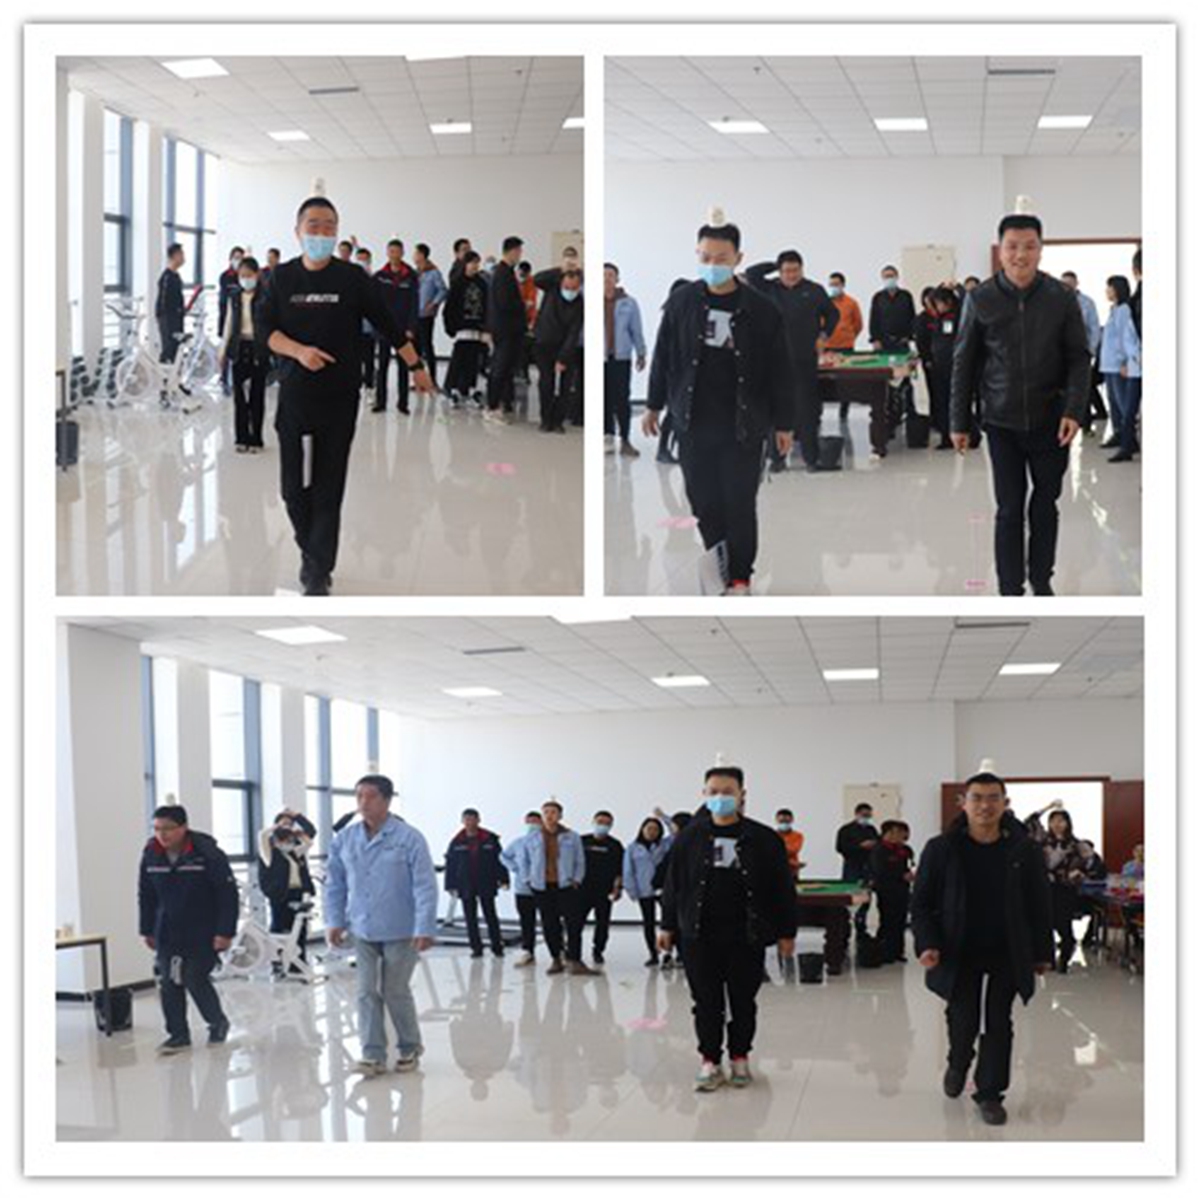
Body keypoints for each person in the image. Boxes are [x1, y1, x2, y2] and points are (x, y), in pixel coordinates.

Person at [258, 196, 433, 595]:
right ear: (297, 231)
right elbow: (266, 329)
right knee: (293, 491)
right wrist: (299, 351)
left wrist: (416, 366)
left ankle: (317, 572)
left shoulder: (352, 278)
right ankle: (312, 553)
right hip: (296, 398)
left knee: (328, 487)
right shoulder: (281, 278)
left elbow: (387, 324)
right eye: (314, 225)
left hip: (339, 400)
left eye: (329, 226)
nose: (321, 233)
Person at [642, 211, 795, 596]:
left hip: (742, 424)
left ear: (738, 258)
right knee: (704, 501)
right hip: (693, 422)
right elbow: (663, 356)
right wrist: (653, 405)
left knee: (739, 501)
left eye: (721, 258)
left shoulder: (762, 310)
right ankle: (719, 562)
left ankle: (740, 575)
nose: (712, 265)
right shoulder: (681, 302)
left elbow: (780, 369)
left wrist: (785, 423)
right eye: (705, 257)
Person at [949, 214, 1090, 597]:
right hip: (1001, 422)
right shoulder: (981, 298)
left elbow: (1079, 358)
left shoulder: (1061, 298)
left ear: (1041, 250)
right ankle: (1009, 587)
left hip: (1051, 421)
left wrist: (1073, 410)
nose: (1021, 255)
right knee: (1009, 508)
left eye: (1029, 246)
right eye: (1012, 247)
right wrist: (958, 421)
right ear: (1001, 251)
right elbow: (964, 362)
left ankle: (1041, 580)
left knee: (1045, 504)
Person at [910, 771, 1053, 1127]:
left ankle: (990, 1093)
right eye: (977, 798)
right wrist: (927, 943)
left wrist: (1041, 952)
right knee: (964, 1019)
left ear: (1005, 804)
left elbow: (1039, 903)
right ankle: (958, 1061)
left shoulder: (1024, 849)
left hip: (1008, 948)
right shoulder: (942, 848)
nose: (985, 806)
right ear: (964, 803)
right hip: (958, 948)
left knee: (998, 1021)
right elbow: (921, 903)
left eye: (993, 798)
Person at [659, 766, 797, 1092]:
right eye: (714, 792)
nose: (720, 797)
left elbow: (782, 888)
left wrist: (786, 932)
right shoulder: (689, 837)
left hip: (746, 935)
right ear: (704, 795)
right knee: (706, 1002)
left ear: (741, 795)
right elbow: (674, 884)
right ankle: (709, 1061)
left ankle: (740, 1057)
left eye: (727, 791)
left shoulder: (764, 839)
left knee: (743, 1001)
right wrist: (667, 925)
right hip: (698, 935)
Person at [324, 774, 438, 1076]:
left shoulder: (408, 838)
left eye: (371, 796)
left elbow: (425, 886)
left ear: (387, 800)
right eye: (359, 796)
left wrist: (425, 926)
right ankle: (372, 1054)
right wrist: (334, 921)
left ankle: (409, 1047)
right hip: (362, 927)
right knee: (365, 991)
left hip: (401, 928)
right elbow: (335, 883)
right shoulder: (345, 839)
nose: (364, 802)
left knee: (394, 990)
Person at [138, 803, 239, 1054]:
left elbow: (227, 895)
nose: (162, 834)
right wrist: (146, 929)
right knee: (169, 981)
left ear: (183, 827)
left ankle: (217, 1022)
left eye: (168, 828)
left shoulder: (207, 854)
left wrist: (225, 932)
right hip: (167, 929)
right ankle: (178, 1035)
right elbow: (146, 894)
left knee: (194, 978)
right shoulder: (151, 853)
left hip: (203, 928)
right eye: (157, 829)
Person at [745, 250, 839, 472]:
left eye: (795, 270)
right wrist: (775, 264)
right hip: (774, 362)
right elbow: (752, 273)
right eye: (786, 270)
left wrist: (824, 335)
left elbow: (833, 314)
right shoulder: (769, 288)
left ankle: (811, 460)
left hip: (804, 359)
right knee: (775, 411)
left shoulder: (814, 290)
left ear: (802, 269)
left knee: (807, 411)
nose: (791, 275)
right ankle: (776, 459)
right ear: (780, 271)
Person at [516, 799, 600, 977]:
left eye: (553, 812)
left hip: (566, 886)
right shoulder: (531, 838)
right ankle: (556, 959)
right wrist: (528, 879)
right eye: (546, 812)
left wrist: (577, 879)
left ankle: (575, 960)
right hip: (542, 887)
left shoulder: (572, 836)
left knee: (574, 924)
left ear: (560, 815)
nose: (549, 815)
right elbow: (523, 861)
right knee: (549, 924)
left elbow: (580, 860)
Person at [218, 255, 270, 454]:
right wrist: (222, 351)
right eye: (242, 275)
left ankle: (256, 439)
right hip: (239, 348)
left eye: (249, 275)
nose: (245, 279)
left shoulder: (266, 296)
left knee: (257, 396)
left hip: (258, 348)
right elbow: (229, 323)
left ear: (257, 275)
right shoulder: (234, 296)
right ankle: (241, 438)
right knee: (239, 397)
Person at [256, 808, 317, 971]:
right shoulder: (269, 854)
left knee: (300, 929)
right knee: (280, 928)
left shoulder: (293, 853)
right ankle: (278, 963)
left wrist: (298, 833)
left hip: (297, 893)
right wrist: (277, 827)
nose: (287, 841)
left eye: (289, 825)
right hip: (280, 895)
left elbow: (309, 843)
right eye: (284, 825)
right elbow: (262, 835)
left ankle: (298, 963)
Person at [444, 808, 510, 958]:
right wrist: (450, 885)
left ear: (478, 820)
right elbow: (451, 864)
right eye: (466, 819)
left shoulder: (490, 839)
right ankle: (476, 948)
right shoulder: (457, 841)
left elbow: (500, 861)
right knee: (470, 918)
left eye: (472, 819)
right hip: (465, 884)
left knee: (490, 915)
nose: (469, 822)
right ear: (462, 821)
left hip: (486, 882)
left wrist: (504, 879)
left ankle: (497, 946)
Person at [531, 262, 585, 433]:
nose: (570, 291)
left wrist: (563, 358)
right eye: (567, 287)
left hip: (565, 348)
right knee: (546, 382)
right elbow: (537, 279)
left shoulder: (579, 303)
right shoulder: (552, 290)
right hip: (543, 344)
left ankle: (558, 421)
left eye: (574, 288)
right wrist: (561, 269)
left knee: (565, 386)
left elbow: (574, 332)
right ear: (561, 282)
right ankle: (545, 419)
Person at [603, 263, 647, 458]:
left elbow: (636, 330)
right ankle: (607, 436)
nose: (607, 279)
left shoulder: (629, 303)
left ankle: (625, 439)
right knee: (604, 398)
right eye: (603, 275)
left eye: (611, 275)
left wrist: (641, 353)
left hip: (621, 357)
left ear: (617, 279)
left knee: (622, 398)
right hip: (600, 358)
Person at [372, 239, 420, 414]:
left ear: (402, 253)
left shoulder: (410, 276)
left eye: (397, 251)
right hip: (384, 328)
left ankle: (403, 404)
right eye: (391, 251)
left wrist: (411, 328)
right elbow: (373, 302)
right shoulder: (379, 276)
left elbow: (414, 304)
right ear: (387, 253)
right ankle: (380, 402)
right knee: (382, 366)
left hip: (402, 329)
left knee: (403, 367)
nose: (394, 255)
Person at [1099, 274, 1142, 463]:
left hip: (1119, 365)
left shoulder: (1124, 310)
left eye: (1109, 287)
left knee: (1125, 405)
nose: (1106, 291)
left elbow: (1126, 338)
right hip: (1109, 364)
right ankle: (1119, 435)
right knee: (1114, 403)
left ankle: (1129, 441)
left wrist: (1125, 361)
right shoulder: (1114, 309)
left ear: (1117, 289)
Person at [1060, 271, 1107, 436]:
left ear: (1076, 284)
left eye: (1070, 283)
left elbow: (1094, 328)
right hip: (1060, 354)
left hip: (1081, 352)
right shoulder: (1055, 301)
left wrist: (1091, 350)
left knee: (1082, 388)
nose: (1067, 286)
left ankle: (1086, 425)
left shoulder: (1087, 303)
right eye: (1063, 283)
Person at [486, 235, 527, 419]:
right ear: (511, 251)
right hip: (504, 329)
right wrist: (522, 305)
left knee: (507, 368)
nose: (520, 255)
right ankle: (492, 405)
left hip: (510, 329)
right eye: (518, 251)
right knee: (500, 367)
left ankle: (505, 403)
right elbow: (504, 303)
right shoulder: (502, 273)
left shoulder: (508, 272)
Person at [624, 817, 673, 967]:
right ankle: (653, 954)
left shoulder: (665, 844)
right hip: (644, 891)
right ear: (642, 829)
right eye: (649, 828)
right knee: (648, 923)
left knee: (670, 922)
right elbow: (628, 871)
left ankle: (669, 953)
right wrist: (632, 891)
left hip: (664, 890)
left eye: (656, 829)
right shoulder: (633, 848)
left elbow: (676, 831)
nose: (652, 832)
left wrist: (663, 817)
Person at [442, 251, 490, 406]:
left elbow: (486, 306)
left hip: (477, 328)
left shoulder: (482, 284)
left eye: (477, 263)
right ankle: (452, 388)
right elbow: (449, 307)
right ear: (465, 264)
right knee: (459, 358)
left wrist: (486, 327)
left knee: (473, 360)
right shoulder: (458, 283)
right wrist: (450, 327)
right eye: (472, 262)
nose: (475, 266)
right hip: (462, 328)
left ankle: (469, 388)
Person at [1041, 809, 1085, 973]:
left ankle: (1064, 960)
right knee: (1046, 926)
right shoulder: (1043, 842)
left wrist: (1074, 874)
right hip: (1045, 889)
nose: (1057, 824)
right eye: (1053, 821)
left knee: (1064, 926)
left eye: (1061, 821)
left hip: (1065, 890)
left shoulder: (1075, 844)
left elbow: (1081, 866)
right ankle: (1049, 960)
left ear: (1067, 823)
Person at [579, 811, 625, 965]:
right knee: (576, 922)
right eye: (600, 822)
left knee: (603, 924)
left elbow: (620, 870)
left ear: (611, 826)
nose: (602, 825)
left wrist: (618, 889)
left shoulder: (615, 845)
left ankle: (598, 951)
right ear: (593, 822)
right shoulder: (581, 841)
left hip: (605, 892)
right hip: (581, 891)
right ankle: (572, 951)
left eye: (606, 823)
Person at [869, 820, 915, 964]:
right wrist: (901, 875)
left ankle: (898, 951)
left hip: (902, 889)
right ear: (889, 833)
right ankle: (885, 952)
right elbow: (880, 871)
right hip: (886, 889)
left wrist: (910, 874)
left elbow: (909, 865)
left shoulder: (904, 849)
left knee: (900, 920)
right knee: (888, 920)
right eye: (899, 832)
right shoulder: (879, 850)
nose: (902, 836)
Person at [502, 811, 544, 967]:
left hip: (544, 888)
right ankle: (528, 951)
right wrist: (515, 868)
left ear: (541, 822)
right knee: (527, 922)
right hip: (523, 889)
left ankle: (559, 950)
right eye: (529, 821)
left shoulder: (548, 842)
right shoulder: (518, 842)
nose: (532, 824)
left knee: (550, 920)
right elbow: (503, 856)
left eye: (535, 821)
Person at [835, 803, 879, 935]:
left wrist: (873, 845)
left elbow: (878, 845)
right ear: (857, 814)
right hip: (852, 866)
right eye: (864, 815)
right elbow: (840, 847)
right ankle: (845, 925)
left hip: (869, 867)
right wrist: (860, 846)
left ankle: (861, 926)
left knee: (866, 897)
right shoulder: (846, 830)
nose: (866, 818)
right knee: (850, 896)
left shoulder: (871, 829)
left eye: (869, 815)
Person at [926, 287, 959, 449]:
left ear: (948, 302)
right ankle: (946, 435)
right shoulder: (940, 318)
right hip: (940, 365)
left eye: (939, 303)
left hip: (950, 366)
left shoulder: (954, 318)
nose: (937, 306)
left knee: (951, 402)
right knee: (942, 402)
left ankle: (953, 436)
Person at [413, 243, 448, 390]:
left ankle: (432, 380)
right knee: (415, 349)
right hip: (414, 315)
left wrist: (434, 303)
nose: (414, 256)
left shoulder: (433, 272)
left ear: (422, 255)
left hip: (426, 315)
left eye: (416, 253)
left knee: (427, 347)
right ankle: (419, 381)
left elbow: (443, 290)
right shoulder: (415, 273)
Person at [217, 246, 246, 396]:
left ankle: (236, 380)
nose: (238, 260)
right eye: (235, 257)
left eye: (240, 258)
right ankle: (223, 380)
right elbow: (225, 298)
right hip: (226, 318)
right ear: (230, 259)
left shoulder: (244, 277)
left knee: (237, 351)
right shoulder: (225, 277)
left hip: (241, 321)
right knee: (226, 351)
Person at [155, 243, 187, 371]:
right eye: (181, 254)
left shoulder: (176, 276)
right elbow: (163, 303)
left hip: (177, 317)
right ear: (175, 256)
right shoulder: (166, 277)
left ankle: (175, 378)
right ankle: (164, 379)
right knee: (168, 349)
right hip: (168, 319)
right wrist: (164, 320)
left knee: (177, 350)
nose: (184, 257)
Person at [1075, 839, 1109, 948]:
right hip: (1077, 894)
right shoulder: (1076, 860)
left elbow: (1102, 879)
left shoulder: (1100, 863)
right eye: (1081, 850)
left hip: (1095, 895)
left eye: (1086, 849)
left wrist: (1086, 877)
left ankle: (1089, 937)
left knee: (1097, 911)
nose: (1083, 852)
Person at [825, 272, 863, 351]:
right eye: (831, 285)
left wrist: (849, 336)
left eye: (836, 284)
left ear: (843, 285)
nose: (833, 287)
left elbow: (858, 325)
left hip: (846, 345)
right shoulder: (825, 303)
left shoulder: (851, 303)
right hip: (828, 345)